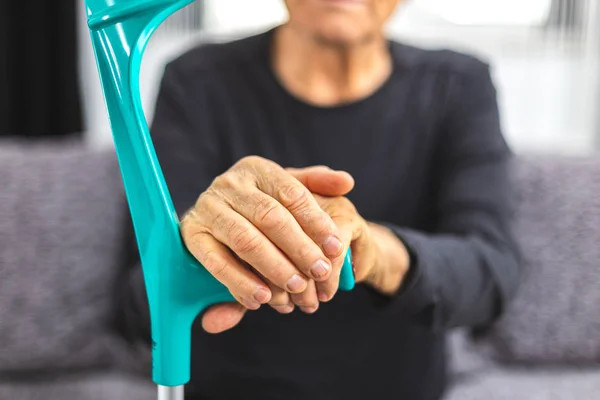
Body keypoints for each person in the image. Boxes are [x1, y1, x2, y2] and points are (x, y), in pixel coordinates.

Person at [117, 1, 522, 399]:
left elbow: (491, 273)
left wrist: (375, 251)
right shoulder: (195, 82)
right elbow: (137, 298)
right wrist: (207, 248)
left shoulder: (458, 85)